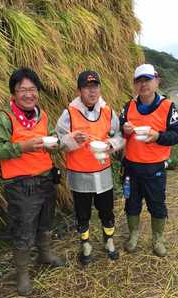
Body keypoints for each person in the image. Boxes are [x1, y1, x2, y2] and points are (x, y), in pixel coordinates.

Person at [0, 67, 65, 296]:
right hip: (21, 185)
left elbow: (52, 137)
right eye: (23, 90)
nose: (29, 94)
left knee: (45, 221)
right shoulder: (3, 118)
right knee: (23, 230)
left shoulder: (42, 114)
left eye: (32, 89)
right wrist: (22, 147)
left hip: (46, 179)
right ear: (14, 93)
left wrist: (58, 142)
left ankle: (45, 254)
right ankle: (22, 274)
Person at [56, 70, 124, 265]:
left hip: (102, 172)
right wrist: (71, 139)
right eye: (87, 87)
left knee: (107, 210)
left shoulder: (108, 112)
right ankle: (85, 243)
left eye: (95, 87)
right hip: (79, 174)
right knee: (82, 212)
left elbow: (119, 135)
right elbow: (58, 142)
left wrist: (112, 144)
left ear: (99, 89)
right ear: (79, 91)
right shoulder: (68, 114)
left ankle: (108, 239)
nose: (92, 91)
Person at [120, 63, 178, 257]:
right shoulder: (128, 106)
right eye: (139, 81)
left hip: (155, 168)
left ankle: (158, 238)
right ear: (134, 84)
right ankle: (133, 234)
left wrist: (158, 136)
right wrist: (125, 129)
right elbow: (119, 128)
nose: (143, 84)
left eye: (147, 80)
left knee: (157, 204)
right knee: (131, 203)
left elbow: (177, 134)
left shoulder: (167, 106)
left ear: (156, 81)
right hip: (131, 167)